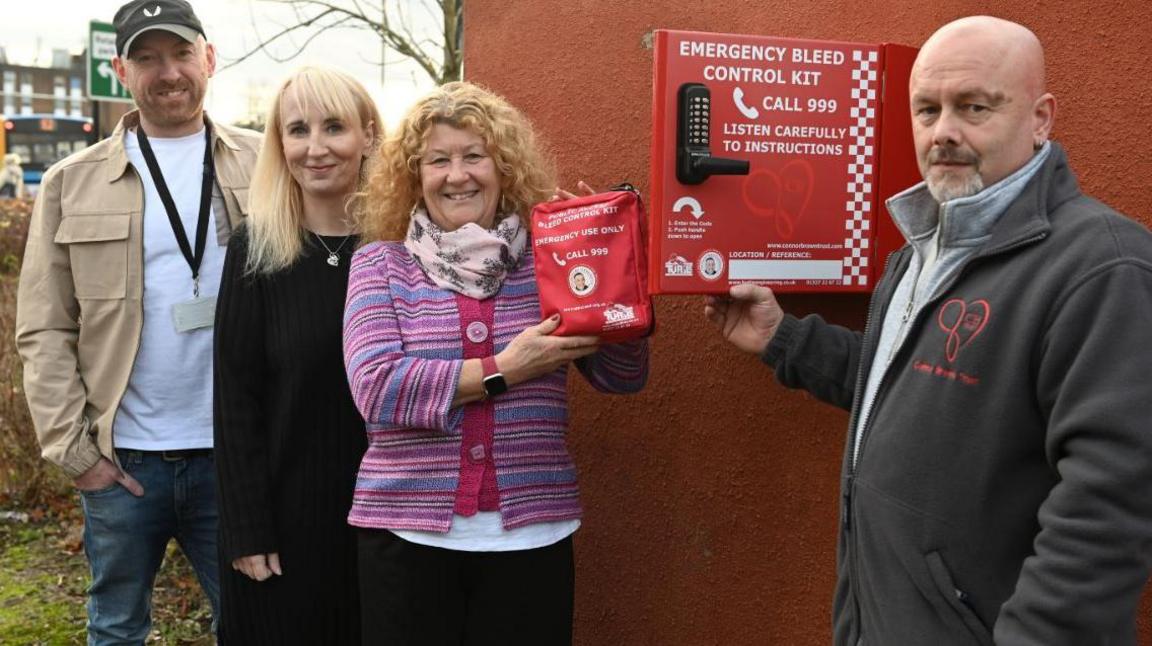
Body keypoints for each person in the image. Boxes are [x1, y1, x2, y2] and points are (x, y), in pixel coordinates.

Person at [705, 16, 1152, 646]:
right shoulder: (922, 247)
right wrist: (784, 340)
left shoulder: (1102, 266)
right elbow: (917, 384)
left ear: (1041, 118)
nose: (944, 131)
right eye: (927, 109)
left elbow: (1111, 508)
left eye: (974, 107)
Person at [344, 81, 649, 645]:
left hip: (531, 536)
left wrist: (613, 273)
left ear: (503, 167)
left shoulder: (547, 261)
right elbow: (377, 387)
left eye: (474, 156)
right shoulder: (380, 265)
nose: (457, 174)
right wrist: (504, 367)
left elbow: (623, 377)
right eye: (438, 160)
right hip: (407, 538)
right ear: (416, 177)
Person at [14, 1, 260, 642]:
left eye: (180, 54)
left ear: (209, 58)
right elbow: (43, 327)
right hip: (124, 463)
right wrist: (77, 454)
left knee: (253, 623)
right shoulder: (71, 182)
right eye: (147, 58)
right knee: (116, 628)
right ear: (121, 69)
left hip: (232, 457)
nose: (167, 72)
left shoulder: (269, 165)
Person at [212, 66, 379, 644]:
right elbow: (235, 399)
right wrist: (246, 529)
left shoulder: (403, 247)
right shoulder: (256, 250)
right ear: (279, 146)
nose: (315, 147)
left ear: (368, 136)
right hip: (284, 529)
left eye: (334, 127)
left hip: (391, 524)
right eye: (297, 130)